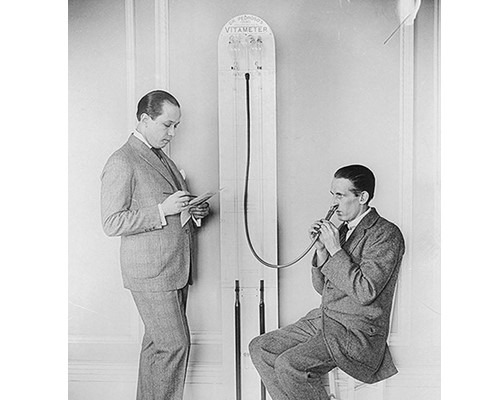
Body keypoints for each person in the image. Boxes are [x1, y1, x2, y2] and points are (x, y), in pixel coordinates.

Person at [249, 164, 405, 400]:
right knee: (260, 348)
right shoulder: (342, 231)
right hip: (324, 320)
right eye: (333, 195)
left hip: (355, 332)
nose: (333, 203)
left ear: (362, 197)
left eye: (340, 196)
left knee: (289, 365)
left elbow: (365, 292)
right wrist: (322, 251)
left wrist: (335, 249)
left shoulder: (385, 234)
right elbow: (324, 289)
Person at [100, 90, 210, 400]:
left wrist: (192, 210)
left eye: (176, 126)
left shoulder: (162, 158)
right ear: (145, 119)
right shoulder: (123, 160)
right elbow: (112, 222)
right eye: (167, 125)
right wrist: (163, 210)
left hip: (172, 269)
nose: (172, 133)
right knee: (173, 346)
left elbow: (172, 207)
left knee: (156, 347)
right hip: (151, 273)